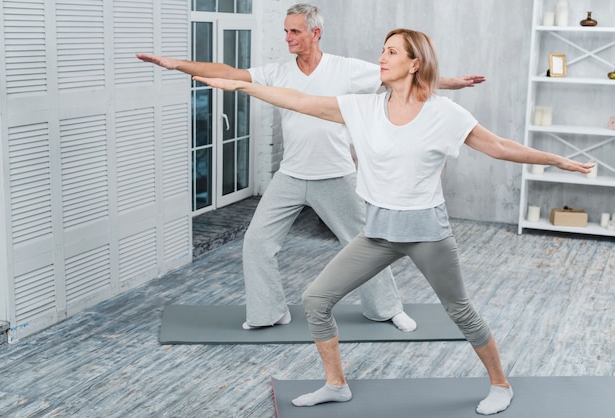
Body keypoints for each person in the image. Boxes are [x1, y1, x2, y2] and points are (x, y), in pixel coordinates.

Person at [193, 28, 594, 415]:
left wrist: (556, 160)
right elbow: (298, 100)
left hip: (427, 234)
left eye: (392, 52)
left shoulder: (443, 113)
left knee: (460, 312)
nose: (381, 59)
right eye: (382, 51)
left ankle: (500, 385)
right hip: (378, 233)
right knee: (316, 300)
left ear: (415, 63)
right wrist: (243, 86)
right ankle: (336, 384)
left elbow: (500, 147)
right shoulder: (363, 107)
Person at [137, 3, 486, 332]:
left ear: (315, 33)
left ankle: (387, 309)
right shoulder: (276, 71)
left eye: (294, 32)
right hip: (290, 175)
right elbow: (229, 73)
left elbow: (403, 78)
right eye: (285, 31)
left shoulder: (346, 68)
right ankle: (267, 313)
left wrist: (452, 82)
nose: (287, 37)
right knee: (257, 242)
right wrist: (176, 64)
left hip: (336, 175)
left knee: (368, 242)